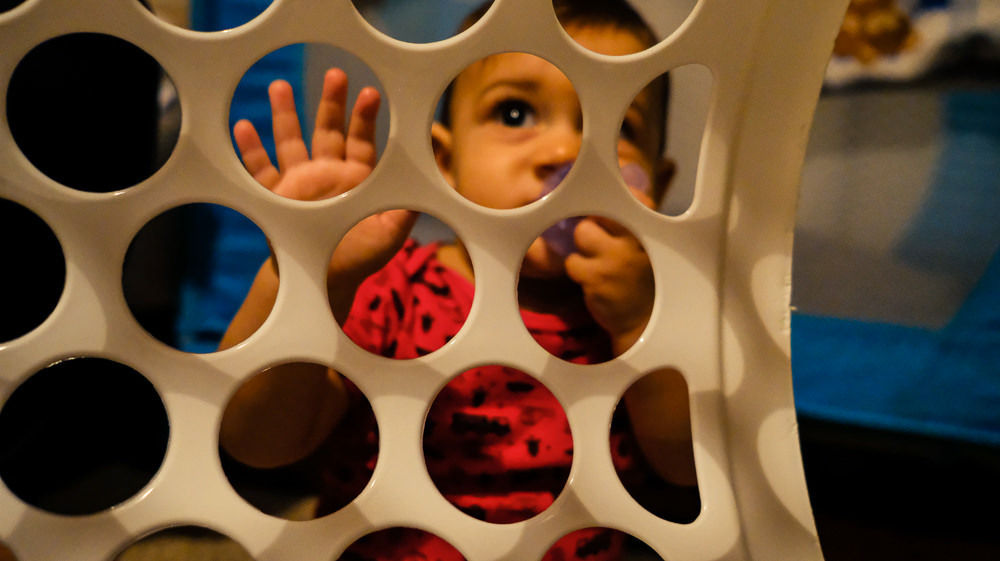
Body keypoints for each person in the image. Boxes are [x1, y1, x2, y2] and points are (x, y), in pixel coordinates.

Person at [219, 1, 697, 559]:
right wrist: (305, 274)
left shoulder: (656, 307)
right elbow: (256, 442)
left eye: (619, 126)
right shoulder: (393, 288)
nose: (567, 152)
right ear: (446, 163)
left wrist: (637, 323)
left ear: (658, 185)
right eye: (515, 113)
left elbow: (688, 467)